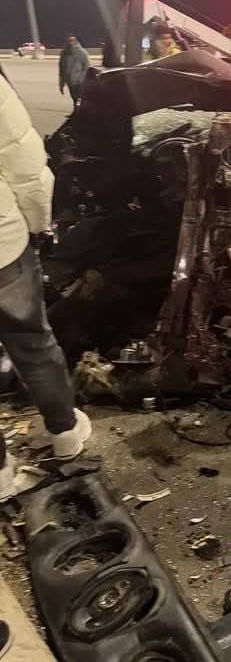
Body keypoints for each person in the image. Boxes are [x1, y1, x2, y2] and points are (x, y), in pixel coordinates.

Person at [0, 68, 91, 503]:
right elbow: (26, 167)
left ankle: (1, 474)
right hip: (2, 248)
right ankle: (65, 435)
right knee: (34, 344)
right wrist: (40, 226)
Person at [58, 35, 90, 111]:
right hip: (69, 80)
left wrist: (82, 78)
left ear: (76, 41)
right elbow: (61, 70)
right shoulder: (64, 53)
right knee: (74, 97)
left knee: (80, 98)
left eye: (72, 41)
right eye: (69, 41)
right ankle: (76, 111)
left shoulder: (82, 52)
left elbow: (86, 66)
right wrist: (61, 84)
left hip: (79, 80)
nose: (70, 43)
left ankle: (79, 111)